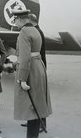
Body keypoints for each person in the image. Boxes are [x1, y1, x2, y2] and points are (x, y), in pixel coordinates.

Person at [11, 9, 52, 138]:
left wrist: (22, 79)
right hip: (38, 67)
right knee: (36, 106)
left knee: (30, 106)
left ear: (19, 19)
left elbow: (24, 58)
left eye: (15, 20)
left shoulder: (24, 32)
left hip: (30, 70)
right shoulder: (35, 30)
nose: (15, 24)